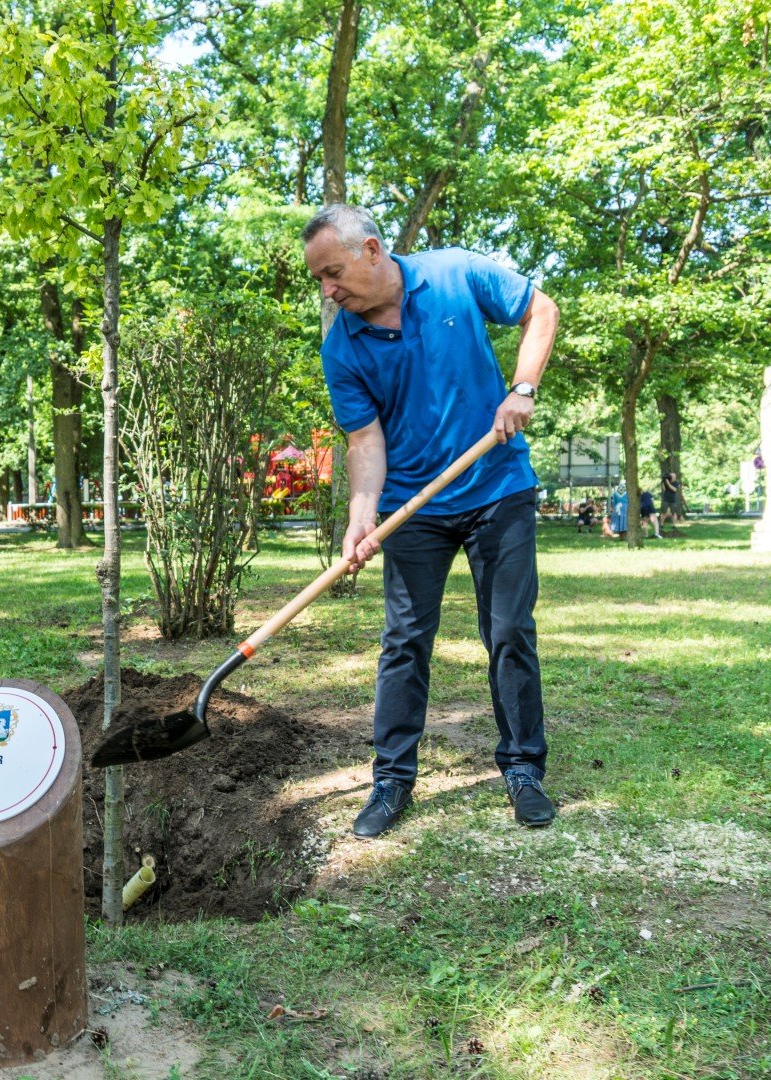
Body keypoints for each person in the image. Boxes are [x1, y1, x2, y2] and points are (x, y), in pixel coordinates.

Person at [304, 203, 560, 836]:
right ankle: (391, 781)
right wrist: (362, 516)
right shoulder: (342, 346)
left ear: (371, 249)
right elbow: (366, 445)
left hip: (498, 489)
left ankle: (523, 769)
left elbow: (542, 311)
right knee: (404, 643)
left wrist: (521, 388)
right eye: (320, 281)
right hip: (412, 509)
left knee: (507, 632)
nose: (328, 291)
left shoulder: (455, 273)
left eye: (333, 272)